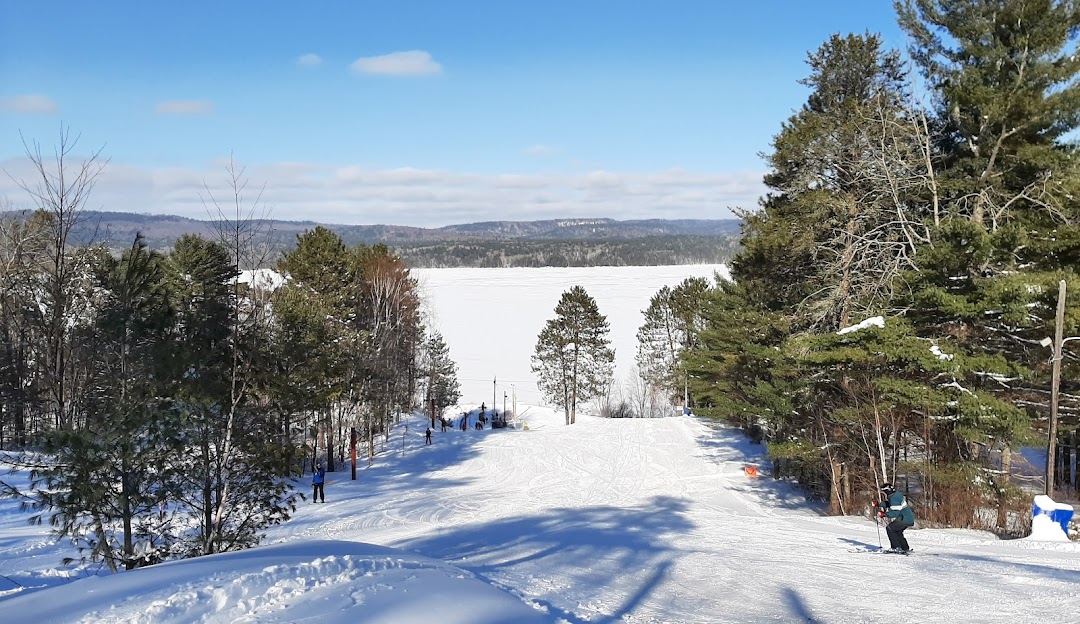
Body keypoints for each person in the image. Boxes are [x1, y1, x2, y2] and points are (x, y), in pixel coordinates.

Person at [876, 482, 914, 552]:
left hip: (904, 518)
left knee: (890, 528)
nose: (884, 493)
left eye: (884, 492)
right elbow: (890, 504)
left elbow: (894, 513)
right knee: (897, 531)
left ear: (887, 491)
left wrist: (884, 514)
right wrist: (879, 504)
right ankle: (904, 548)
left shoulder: (894, 498)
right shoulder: (895, 495)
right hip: (907, 518)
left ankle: (896, 548)